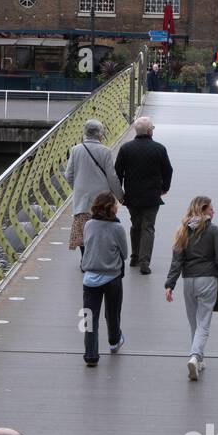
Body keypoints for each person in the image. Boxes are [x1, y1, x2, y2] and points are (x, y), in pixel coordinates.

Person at [164, 195, 218, 381]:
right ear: (203, 210)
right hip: (207, 279)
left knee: (194, 322)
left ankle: (199, 360)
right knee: (204, 323)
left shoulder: (183, 231)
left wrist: (170, 284)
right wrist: (217, 267)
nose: (213, 211)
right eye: (211, 209)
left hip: (188, 281)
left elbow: (177, 260)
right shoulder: (215, 230)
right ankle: (195, 357)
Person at [113, 115, 173, 275]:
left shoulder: (126, 148)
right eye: (152, 128)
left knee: (135, 225)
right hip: (152, 196)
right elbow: (168, 170)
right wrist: (165, 187)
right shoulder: (159, 148)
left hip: (132, 196)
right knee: (148, 228)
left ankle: (134, 257)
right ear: (149, 131)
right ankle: (144, 262)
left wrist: (120, 193)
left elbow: (117, 172)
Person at [79, 190, 129, 365]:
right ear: (111, 208)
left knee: (89, 318)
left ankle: (90, 354)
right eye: (116, 204)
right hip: (112, 278)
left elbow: (87, 244)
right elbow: (125, 254)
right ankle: (114, 341)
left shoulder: (88, 225)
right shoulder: (117, 228)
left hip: (90, 277)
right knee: (112, 313)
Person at [64, 119, 123, 253]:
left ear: (85, 133)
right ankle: (97, 256)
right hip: (101, 198)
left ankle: (84, 258)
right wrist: (120, 195)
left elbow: (68, 175)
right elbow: (112, 177)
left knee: (82, 228)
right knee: (100, 227)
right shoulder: (105, 151)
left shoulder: (75, 150)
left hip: (82, 197)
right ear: (100, 134)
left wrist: (77, 186)